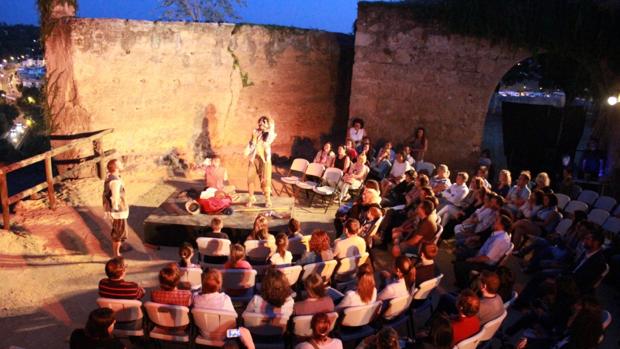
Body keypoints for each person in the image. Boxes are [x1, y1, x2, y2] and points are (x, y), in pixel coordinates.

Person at [454, 215, 512, 288]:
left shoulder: (500, 240)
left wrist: (472, 259)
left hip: (486, 264)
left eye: (497, 220)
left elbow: (486, 258)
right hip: (480, 254)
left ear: (502, 225)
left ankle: (463, 287)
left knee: (459, 266)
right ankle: (462, 278)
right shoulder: (499, 233)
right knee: (460, 253)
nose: (494, 221)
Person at [245, 116, 276, 208]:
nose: (261, 124)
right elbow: (251, 144)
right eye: (260, 122)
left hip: (264, 160)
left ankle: (267, 199)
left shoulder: (269, 134)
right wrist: (247, 151)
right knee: (250, 178)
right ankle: (251, 198)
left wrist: (269, 122)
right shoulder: (255, 132)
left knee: (265, 179)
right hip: (254, 159)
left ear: (267, 124)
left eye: (263, 122)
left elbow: (268, 139)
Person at [102, 159, 129, 257]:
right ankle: (116, 254)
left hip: (117, 211)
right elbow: (115, 197)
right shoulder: (115, 181)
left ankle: (121, 246)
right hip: (118, 212)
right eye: (119, 164)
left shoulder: (111, 177)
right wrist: (115, 210)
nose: (122, 164)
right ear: (116, 167)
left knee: (120, 230)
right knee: (118, 233)